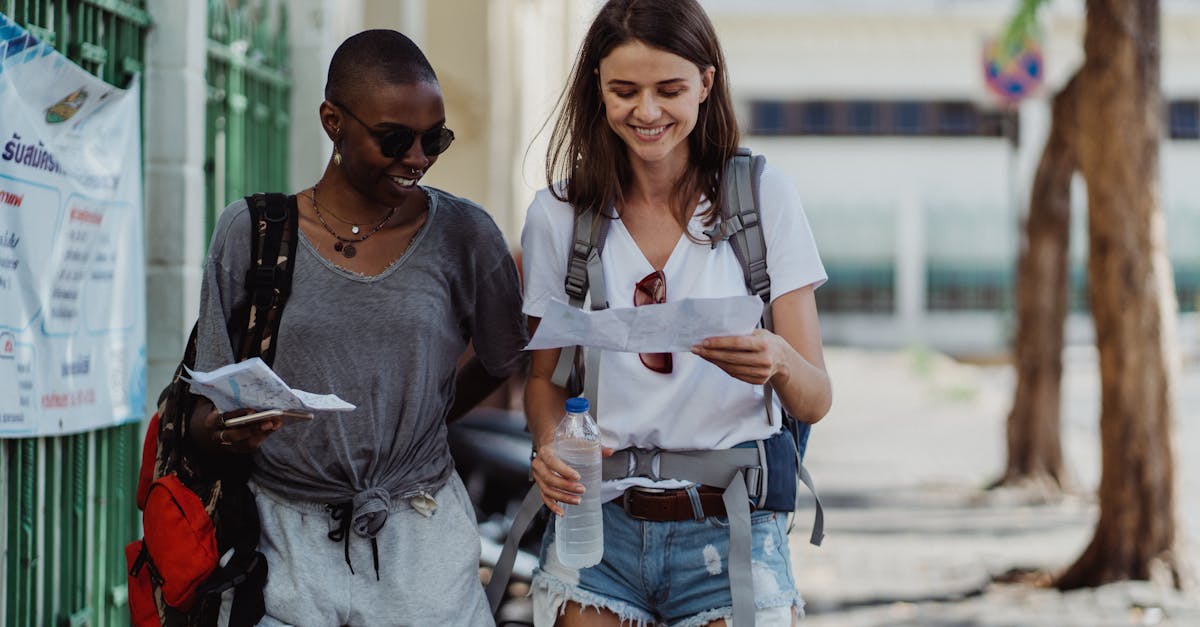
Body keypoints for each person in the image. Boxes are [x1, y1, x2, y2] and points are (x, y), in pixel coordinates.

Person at [188, 30, 527, 626]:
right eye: (394, 138)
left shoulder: (466, 235)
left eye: (435, 138)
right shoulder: (250, 232)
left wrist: (427, 413)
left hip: (421, 536)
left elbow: (503, 357)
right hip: (280, 546)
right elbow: (204, 410)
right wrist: (228, 433)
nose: (417, 158)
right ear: (332, 121)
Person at [520, 1, 832, 625]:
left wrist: (776, 360)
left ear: (706, 83)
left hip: (731, 526)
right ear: (597, 90)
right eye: (624, 91)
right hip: (596, 527)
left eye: (669, 90)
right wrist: (551, 448)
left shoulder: (762, 197)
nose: (647, 112)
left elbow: (815, 398)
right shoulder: (559, 214)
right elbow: (543, 380)